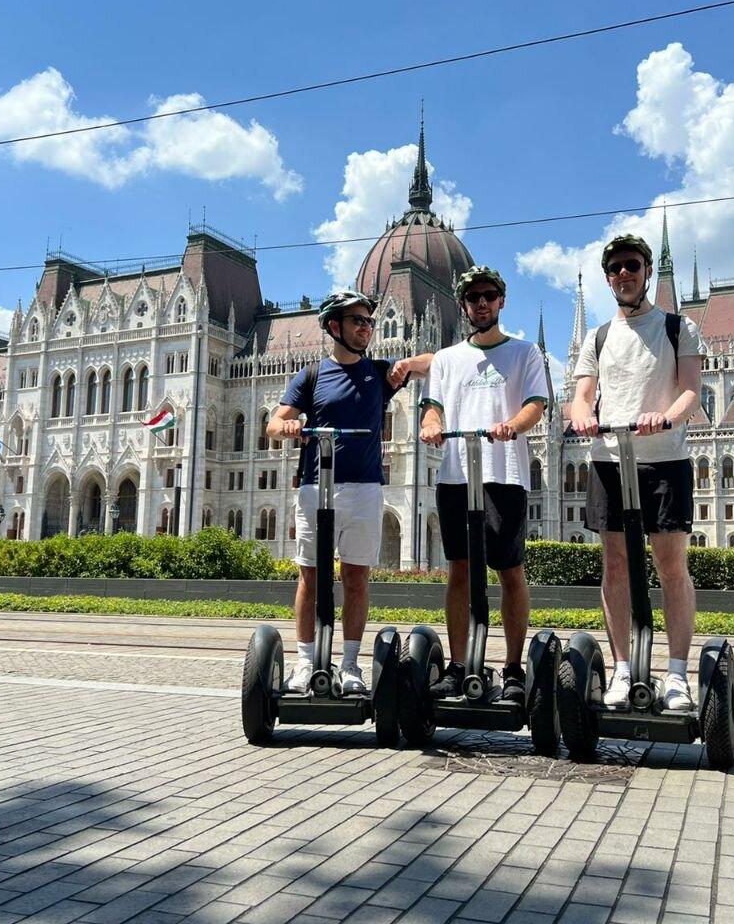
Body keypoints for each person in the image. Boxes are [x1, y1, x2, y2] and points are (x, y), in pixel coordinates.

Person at [269, 290, 432, 695]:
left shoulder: (379, 373)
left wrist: (408, 364)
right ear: (334, 327)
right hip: (315, 488)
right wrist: (288, 426)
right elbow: (273, 423)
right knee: (310, 577)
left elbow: (438, 363)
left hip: (365, 489)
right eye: (358, 321)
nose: (366, 328)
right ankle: (305, 662)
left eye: (369, 322)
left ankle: (350, 664)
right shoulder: (310, 376)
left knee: (356, 578)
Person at [570, 233, 706, 711]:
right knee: (614, 565)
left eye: (632, 265)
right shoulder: (598, 337)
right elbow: (582, 394)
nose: (624, 274)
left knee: (671, 565)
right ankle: (623, 668)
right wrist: (581, 416)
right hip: (609, 459)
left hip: (664, 458)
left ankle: (676, 673)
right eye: (616, 268)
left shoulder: (678, 328)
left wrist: (666, 416)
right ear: (608, 279)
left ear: (646, 271)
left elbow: (691, 391)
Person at [419, 266, 549, 703]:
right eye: (473, 297)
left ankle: (512, 669)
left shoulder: (525, 353)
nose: (481, 303)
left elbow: (536, 405)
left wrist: (513, 425)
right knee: (458, 570)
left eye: (489, 295)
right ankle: (458, 666)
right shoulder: (446, 358)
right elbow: (433, 406)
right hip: (456, 475)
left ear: (501, 301)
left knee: (510, 570)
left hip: (505, 474)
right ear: (464, 305)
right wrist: (432, 425)